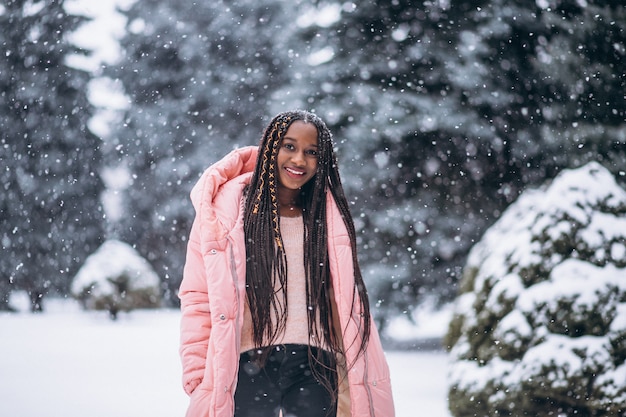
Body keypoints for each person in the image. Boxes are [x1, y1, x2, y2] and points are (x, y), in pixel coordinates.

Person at [179, 110, 395, 417]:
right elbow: (198, 297)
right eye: (289, 146)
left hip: (316, 365)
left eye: (311, 152)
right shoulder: (226, 216)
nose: (299, 160)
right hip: (246, 364)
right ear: (270, 148)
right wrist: (198, 371)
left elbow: (348, 301)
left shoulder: (328, 219)